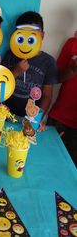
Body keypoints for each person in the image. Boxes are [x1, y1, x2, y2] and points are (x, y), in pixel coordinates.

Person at [2, 11, 58, 131]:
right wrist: (16, 71)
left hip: (33, 117)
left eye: (32, 35)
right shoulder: (10, 56)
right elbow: (1, 85)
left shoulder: (48, 62)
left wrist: (37, 118)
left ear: (42, 35)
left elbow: (47, 96)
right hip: (8, 114)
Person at [48, 33, 77, 166]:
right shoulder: (72, 43)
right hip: (60, 117)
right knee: (47, 160)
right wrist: (73, 69)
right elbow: (57, 77)